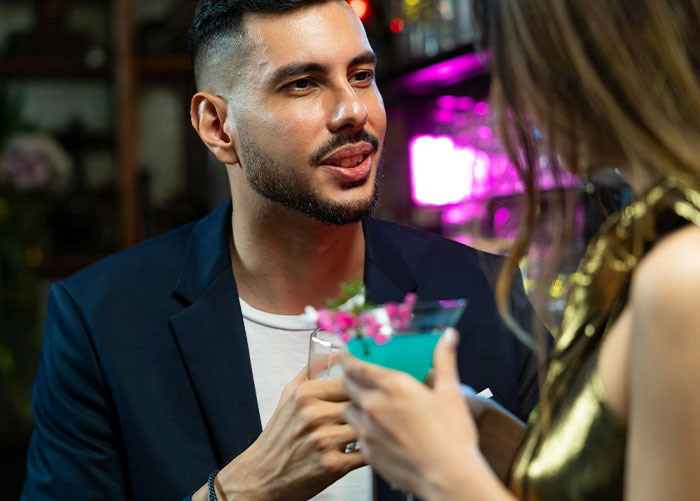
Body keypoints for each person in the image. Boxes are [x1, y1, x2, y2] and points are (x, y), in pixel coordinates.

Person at [21, 1, 542, 499]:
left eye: (361, 76)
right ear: (217, 126)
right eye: (302, 84)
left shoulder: (484, 289)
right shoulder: (100, 322)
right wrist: (244, 491)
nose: (353, 111)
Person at [341, 0, 700, 499]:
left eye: (510, 63)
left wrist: (443, 474)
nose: (510, 96)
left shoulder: (683, 274)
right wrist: (478, 428)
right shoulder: (649, 240)